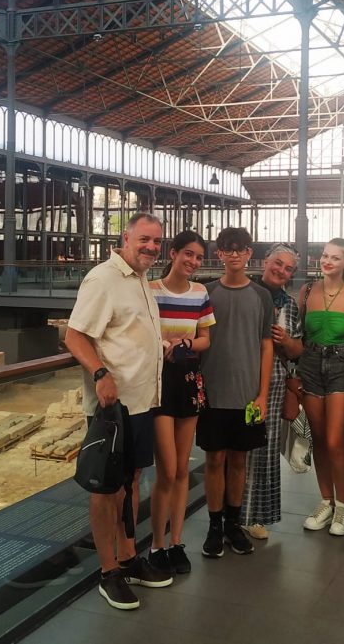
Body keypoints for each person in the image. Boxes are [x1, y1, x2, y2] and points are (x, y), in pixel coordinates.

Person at [64, 212, 172, 611]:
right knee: (107, 487)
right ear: (125, 237)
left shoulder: (141, 279)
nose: (151, 247)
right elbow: (75, 336)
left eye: (157, 241)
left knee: (131, 479)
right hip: (113, 406)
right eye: (144, 239)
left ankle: (128, 558)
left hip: (142, 400)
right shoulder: (103, 278)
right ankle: (108, 571)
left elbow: (125, 332)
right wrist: (100, 373)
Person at [198, 227, 273, 558]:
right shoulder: (206, 292)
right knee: (214, 459)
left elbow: (266, 344)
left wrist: (262, 393)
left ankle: (233, 523)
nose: (234, 255)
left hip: (247, 395)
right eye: (227, 249)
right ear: (219, 254)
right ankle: (215, 525)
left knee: (239, 460)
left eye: (240, 249)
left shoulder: (261, 296)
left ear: (248, 253)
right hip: (212, 393)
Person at [147, 231, 215, 576]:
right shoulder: (151, 291)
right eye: (188, 254)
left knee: (182, 469)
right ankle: (156, 544)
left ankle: (176, 541)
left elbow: (206, 339)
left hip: (187, 381)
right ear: (172, 253)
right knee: (167, 470)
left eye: (199, 258)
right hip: (159, 385)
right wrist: (162, 342)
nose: (193, 262)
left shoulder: (200, 293)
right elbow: (141, 332)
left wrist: (186, 340)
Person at [297, 238, 344, 537]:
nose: (327, 261)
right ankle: (326, 501)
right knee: (320, 440)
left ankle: (343, 506)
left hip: (341, 367)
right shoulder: (308, 291)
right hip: (310, 365)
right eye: (325, 256)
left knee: (336, 441)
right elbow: (297, 333)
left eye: (335, 258)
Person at [242, 243, 302, 540]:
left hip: (275, 384)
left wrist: (286, 341)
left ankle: (256, 514)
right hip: (241, 381)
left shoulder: (289, 305)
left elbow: (297, 350)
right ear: (265, 261)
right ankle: (231, 512)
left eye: (288, 268)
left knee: (265, 449)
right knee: (236, 448)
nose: (281, 270)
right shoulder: (244, 292)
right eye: (277, 263)